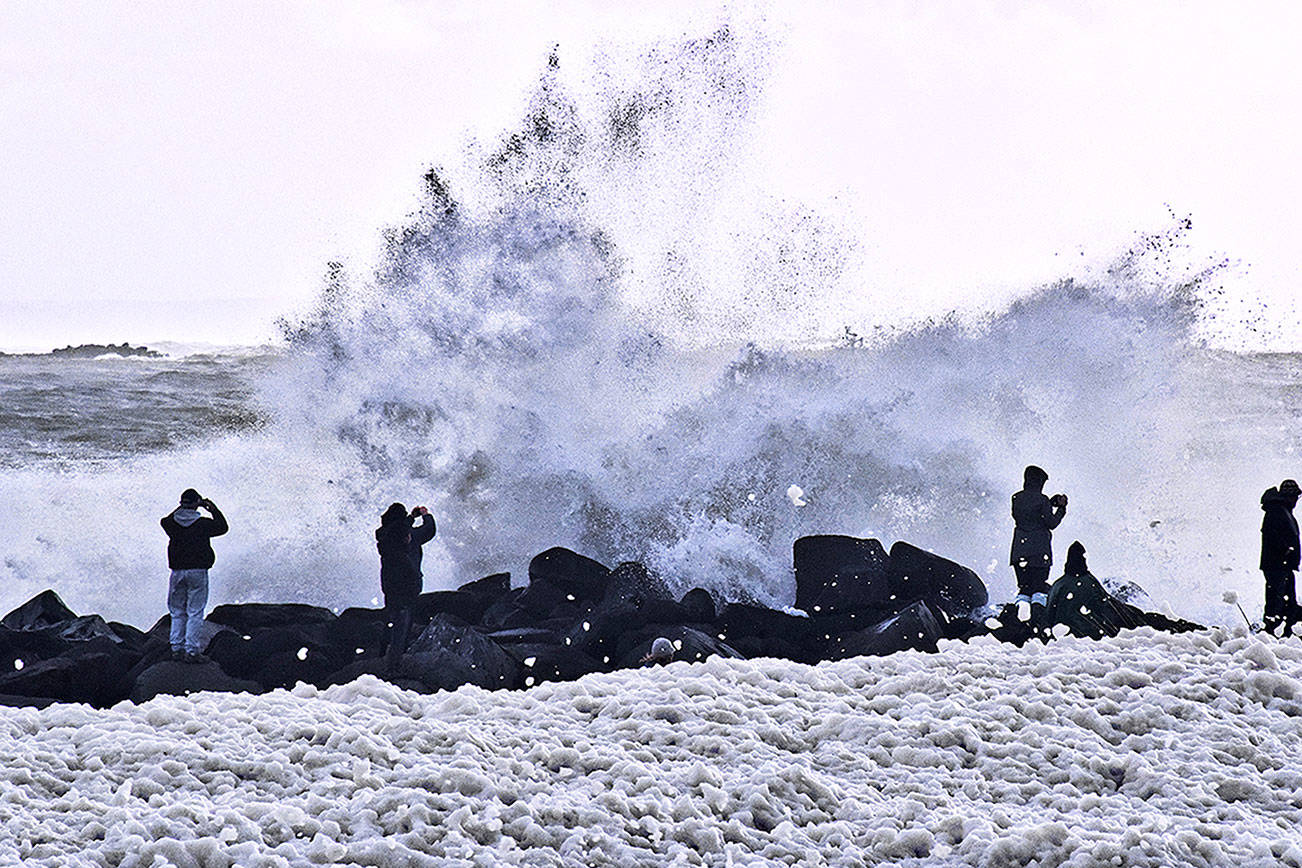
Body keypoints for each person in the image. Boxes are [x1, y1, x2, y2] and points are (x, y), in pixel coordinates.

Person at [160, 489, 228, 662]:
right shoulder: (203, 524)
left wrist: (182, 507)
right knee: (195, 611)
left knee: (177, 611)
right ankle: (191, 651)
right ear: (196, 504)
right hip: (198, 571)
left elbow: (164, 520)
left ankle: (176, 648)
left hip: (177, 572)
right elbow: (223, 527)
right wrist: (212, 508)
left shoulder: (173, 524)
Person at [376, 502, 436, 668]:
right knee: (404, 621)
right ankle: (395, 662)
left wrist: (410, 518)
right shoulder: (409, 536)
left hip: (389, 585)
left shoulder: (384, 535)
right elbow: (429, 530)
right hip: (408, 585)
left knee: (392, 618)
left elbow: (397, 528)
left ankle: (382, 655)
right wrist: (425, 515)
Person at [1010, 465, 1067, 631]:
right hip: (1039, 552)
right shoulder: (1042, 500)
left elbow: (1029, 512)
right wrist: (1061, 508)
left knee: (1024, 588)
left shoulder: (1016, 498)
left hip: (1019, 551)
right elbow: (1051, 523)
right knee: (1039, 588)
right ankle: (1038, 623)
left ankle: (1020, 621)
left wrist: (1049, 503)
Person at [1260, 479, 1300, 636]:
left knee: (1286, 600)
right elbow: (1273, 536)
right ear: (1289, 496)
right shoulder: (1277, 510)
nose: (1297, 500)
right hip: (1278, 565)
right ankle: (1271, 632)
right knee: (1277, 600)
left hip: (1282, 565)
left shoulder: (1281, 510)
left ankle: (1286, 631)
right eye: (1295, 496)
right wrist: (1286, 551)